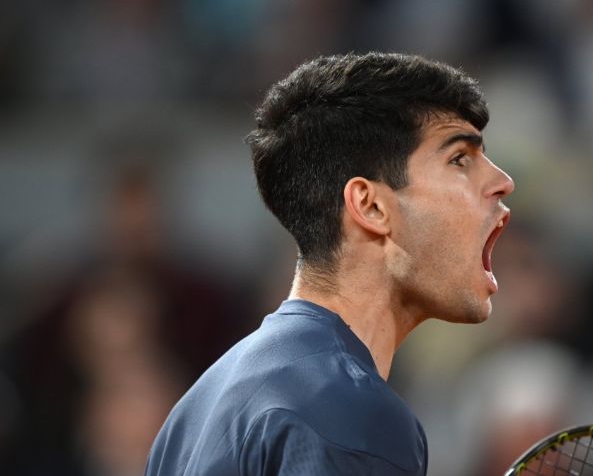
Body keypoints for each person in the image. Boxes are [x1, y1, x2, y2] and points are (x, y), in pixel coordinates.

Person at [145, 52, 515, 475]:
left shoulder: (194, 412)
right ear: (371, 205)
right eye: (459, 159)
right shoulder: (351, 414)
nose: (503, 181)